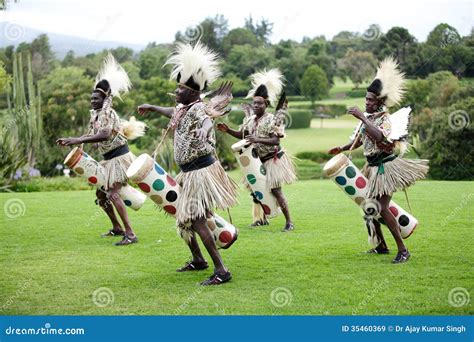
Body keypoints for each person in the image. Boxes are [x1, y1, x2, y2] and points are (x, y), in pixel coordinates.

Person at [137, 42, 238, 285]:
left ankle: (222, 271)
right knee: (183, 218)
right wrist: (151, 107)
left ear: (192, 92)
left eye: (180, 88)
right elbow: (172, 112)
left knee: (197, 219)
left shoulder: (199, 108)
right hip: (189, 172)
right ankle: (199, 260)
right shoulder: (185, 107)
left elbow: (205, 120)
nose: (176, 92)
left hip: (200, 172)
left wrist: (206, 130)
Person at [328, 57, 429, 263]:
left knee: (382, 208)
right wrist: (343, 148)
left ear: (380, 101)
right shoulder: (369, 117)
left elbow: (381, 137)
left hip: (386, 168)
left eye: (371, 100)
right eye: (366, 99)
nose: (367, 102)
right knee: (369, 207)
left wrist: (363, 118)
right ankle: (381, 245)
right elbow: (359, 141)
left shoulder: (384, 119)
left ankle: (403, 250)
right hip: (372, 168)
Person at [57, 54, 145, 246]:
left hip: (120, 158)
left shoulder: (108, 113)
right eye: (91, 97)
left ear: (104, 98)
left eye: (96, 98)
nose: (92, 100)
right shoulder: (96, 115)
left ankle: (130, 234)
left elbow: (105, 134)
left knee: (113, 194)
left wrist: (77, 139)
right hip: (108, 159)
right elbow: (93, 134)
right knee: (101, 195)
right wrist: (77, 145)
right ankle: (117, 228)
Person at [217, 69, 297, 232]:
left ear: (266, 104)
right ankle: (262, 219)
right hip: (257, 160)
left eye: (259, 103)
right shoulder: (250, 120)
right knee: (257, 190)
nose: (256, 106)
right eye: (254, 103)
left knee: (275, 190)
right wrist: (228, 130)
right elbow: (243, 135)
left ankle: (289, 221)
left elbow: (276, 140)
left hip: (272, 159)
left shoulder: (273, 119)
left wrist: (258, 139)